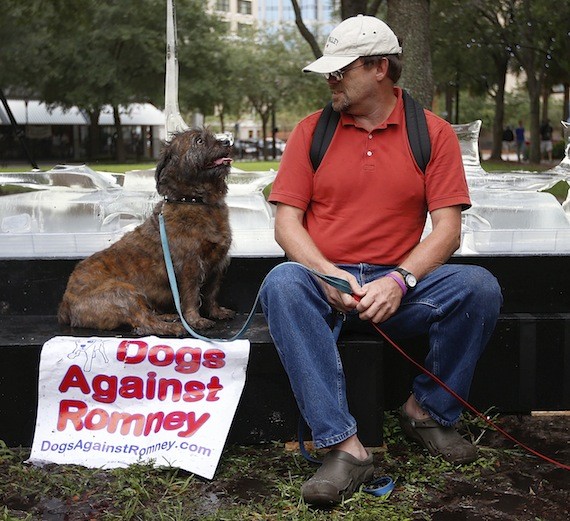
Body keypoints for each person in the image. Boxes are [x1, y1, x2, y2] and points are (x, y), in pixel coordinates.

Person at [259, 15, 502, 507]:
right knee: (283, 281)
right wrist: (326, 272)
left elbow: (448, 231)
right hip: (326, 285)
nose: (330, 81)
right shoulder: (311, 132)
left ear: (379, 68)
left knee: (478, 287)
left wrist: (400, 280)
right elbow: (287, 226)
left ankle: (427, 412)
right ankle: (343, 447)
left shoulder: (433, 134)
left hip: (399, 289)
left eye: (339, 72)